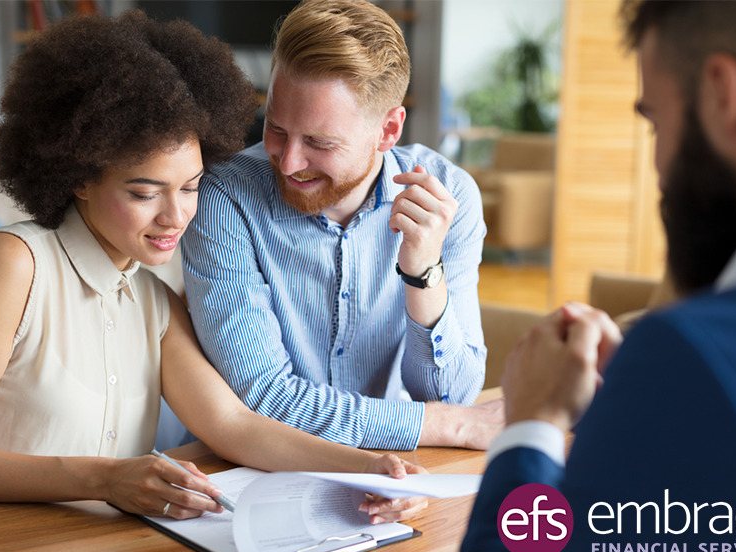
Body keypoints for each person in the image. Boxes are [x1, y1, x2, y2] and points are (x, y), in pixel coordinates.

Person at [0, 10, 428, 524]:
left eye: (190, 187)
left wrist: (372, 468)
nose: (176, 217)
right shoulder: (11, 266)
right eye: (143, 192)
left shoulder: (152, 300)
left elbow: (236, 426)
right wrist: (104, 479)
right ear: (79, 177)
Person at [454, 0, 736, 552]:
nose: (660, 169)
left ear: (724, 93)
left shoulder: (698, 357)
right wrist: (640, 417)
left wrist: (532, 424)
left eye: (654, 119)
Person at [176, 0, 503, 452]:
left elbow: (452, 395)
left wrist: (424, 272)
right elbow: (264, 401)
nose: (288, 162)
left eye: (318, 142)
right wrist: (445, 426)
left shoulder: (450, 198)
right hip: (247, 473)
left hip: (392, 476)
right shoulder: (224, 197)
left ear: (388, 131)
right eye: (274, 126)